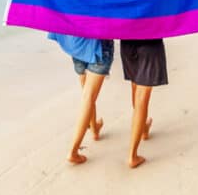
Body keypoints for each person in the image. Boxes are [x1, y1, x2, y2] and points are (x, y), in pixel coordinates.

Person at [48, 34, 114, 164]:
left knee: (86, 93)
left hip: (76, 43)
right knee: (88, 98)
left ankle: (94, 128)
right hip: (98, 47)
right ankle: (73, 151)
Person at [120, 38, 166, 168]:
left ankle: (143, 128)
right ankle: (132, 156)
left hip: (127, 43)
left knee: (135, 86)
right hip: (150, 43)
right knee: (142, 97)